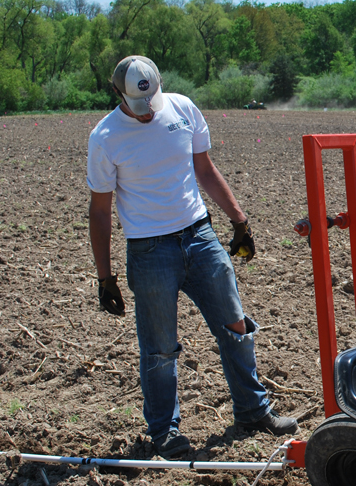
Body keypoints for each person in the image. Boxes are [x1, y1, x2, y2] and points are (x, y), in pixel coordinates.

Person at [87, 56, 298, 460]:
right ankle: (164, 432)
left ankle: (253, 412)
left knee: (235, 324)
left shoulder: (182, 108)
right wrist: (105, 276)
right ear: (118, 93)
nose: (147, 113)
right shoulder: (106, 137)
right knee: (160, 348)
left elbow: (203, 168)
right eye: (137, 105)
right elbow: (99, 210)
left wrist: (239, 220)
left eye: (150, 102)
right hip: (149, 250)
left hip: (199, 236)